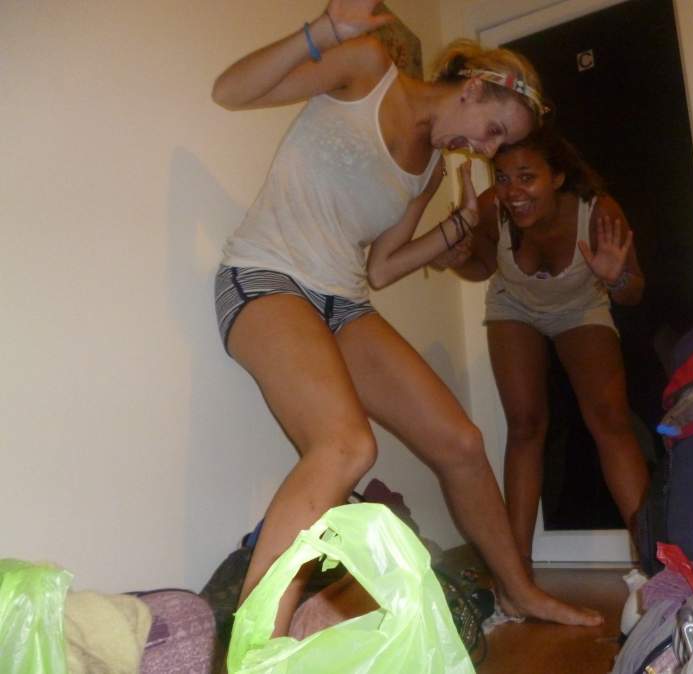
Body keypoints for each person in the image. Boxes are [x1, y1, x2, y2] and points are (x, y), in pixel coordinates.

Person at [211, 0, 602, 636]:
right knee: (346, 446)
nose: (486, 149)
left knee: (462, 443)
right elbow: (230, 91)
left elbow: (383, 267)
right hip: (265, 277)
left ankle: (519, 591)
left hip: (342, 301)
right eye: (493, 129)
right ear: (474, 87)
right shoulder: (368, 68)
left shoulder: (431, 169)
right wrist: (322, 32)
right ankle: (258, 647)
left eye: (499, 144)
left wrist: (457, 227)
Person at [433, 126, 650, 566]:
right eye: (503, 178)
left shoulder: (599, 211)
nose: (513, 192)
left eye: (527, 177)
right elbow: (481, 267)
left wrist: (616, 278)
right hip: (514, 306)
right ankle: (518, 571)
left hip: (581, 307)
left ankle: (655, 561)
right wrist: (458, 258)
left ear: (558, 177)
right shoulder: (493, 208)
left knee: (611, 420)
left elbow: (634, 292)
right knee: (525, 426)